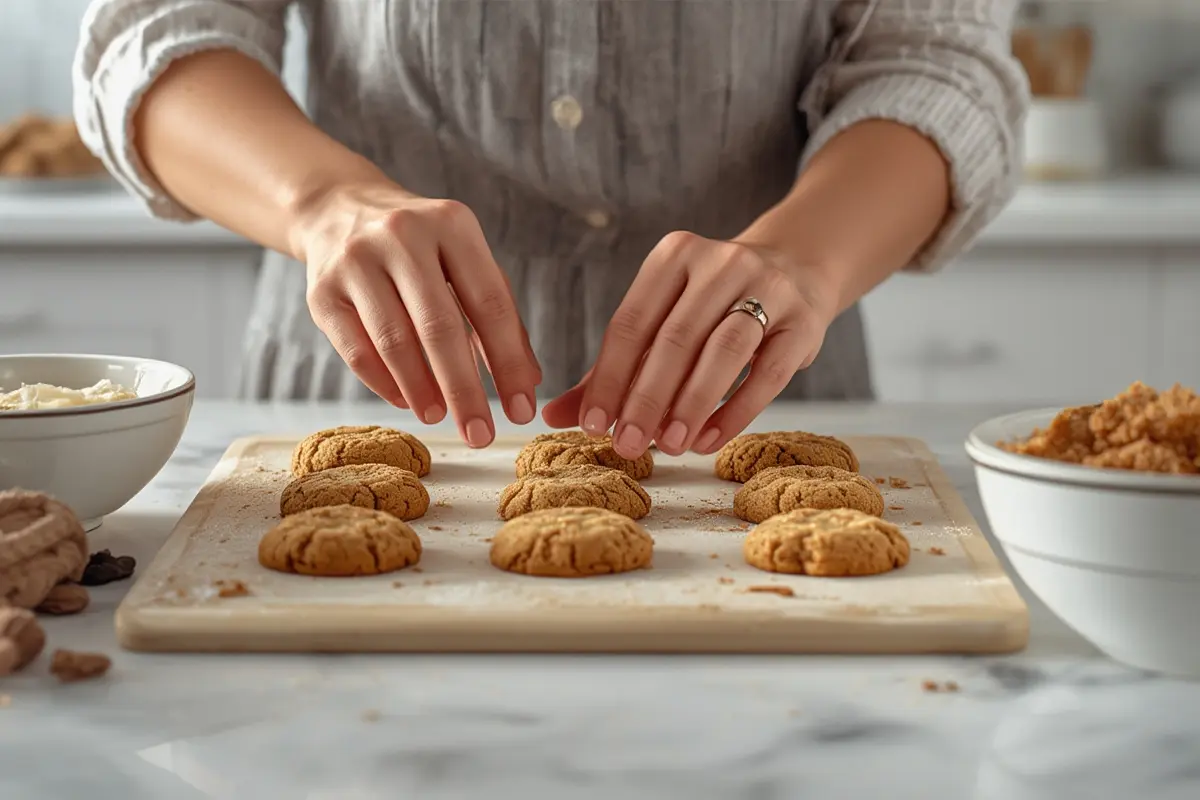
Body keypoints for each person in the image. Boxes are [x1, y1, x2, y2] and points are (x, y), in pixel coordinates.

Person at [73, 0, 1028, 460]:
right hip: (358, 394)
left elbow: (936, 64)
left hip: (754, 409)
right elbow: (154, 31)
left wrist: (806, 259)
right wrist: (320, 201)